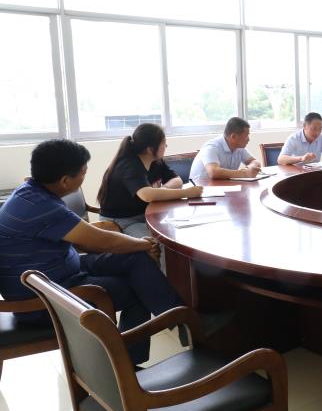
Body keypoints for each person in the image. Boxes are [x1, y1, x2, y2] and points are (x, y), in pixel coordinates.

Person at [0, 140, 185, 365]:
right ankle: (129, 364)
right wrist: (144, 244)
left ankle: (179, 318)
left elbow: (86, 241)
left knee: (135, 259)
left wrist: (139, 247)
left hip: (60, 271)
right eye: (83, 173)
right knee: (138, 287)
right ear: (65, 180)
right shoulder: (41, 206)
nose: (84, 178)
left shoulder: (30, 192)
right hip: (45, 299)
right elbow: (99, 241)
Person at [98, 123, 202, 238]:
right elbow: (147, 195)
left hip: (147, 213)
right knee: (160, 242)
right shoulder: (130, 165)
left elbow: (177, 180)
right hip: (123, 220)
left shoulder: (155, 161)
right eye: (163, 143)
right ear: (150, 149)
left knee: (182, 231)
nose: (166, 146)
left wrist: (162, 190)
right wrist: (187, 193)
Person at [190, 117, 262, 179]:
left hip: (221, 186)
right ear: (233, 136)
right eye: (246, 136)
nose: (248, 139)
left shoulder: (239, 148)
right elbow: (213, 172)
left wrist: (251, 168)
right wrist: (244, 173)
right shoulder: (211, 147)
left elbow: (254, 162)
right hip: (200, 188)